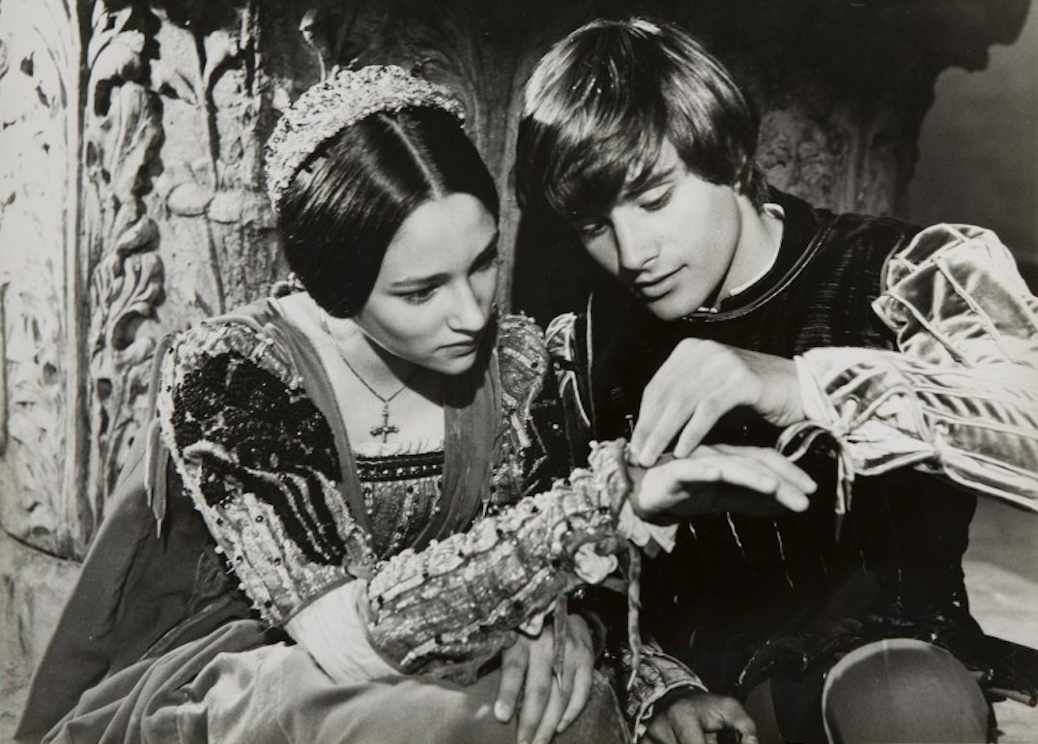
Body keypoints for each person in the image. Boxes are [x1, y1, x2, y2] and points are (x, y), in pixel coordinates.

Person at [15, 64, 812, 744]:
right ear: (335, 292)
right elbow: (345, 642)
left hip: (451, 653)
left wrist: (577, 639)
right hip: (262, 676)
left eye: (481, 264)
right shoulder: (236, 375)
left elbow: (557, 581)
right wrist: (609, 501)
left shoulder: (518, 360)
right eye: (420, 291)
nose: (469, 313)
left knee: (558, 706)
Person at [516, 17, 1038, 744]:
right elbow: (549, 555)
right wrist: (655, 685)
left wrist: (807, 387)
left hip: (884, 667)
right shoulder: (585, 340)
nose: (633, 253)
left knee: (908, 703)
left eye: (656, 197)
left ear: (731, 157)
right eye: (594, 225)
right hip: (684, 691)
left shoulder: (909, 270)